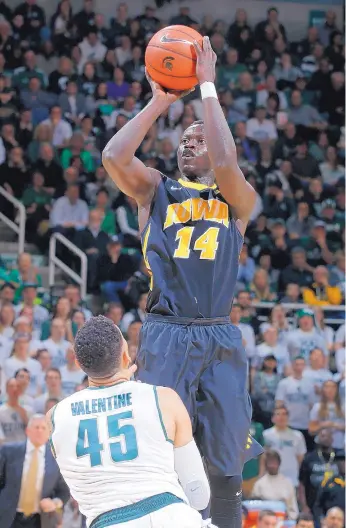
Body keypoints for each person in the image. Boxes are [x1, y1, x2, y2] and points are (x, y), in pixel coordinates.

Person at [102, 36, 262, 528]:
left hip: (218, 333)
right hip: (167, 332)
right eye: (185, 140)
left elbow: (227, 159)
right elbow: (113, 155)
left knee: (226, 466)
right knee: (165, 456)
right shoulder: (155, 189)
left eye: (200, 140)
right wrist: (158, 101)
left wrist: (208, 88)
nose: (192, 144)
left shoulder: (238, 199)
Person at [47, 316, 211, 528]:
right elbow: (198, 495)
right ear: (126, 355)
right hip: (172, 518)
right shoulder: (163, 399)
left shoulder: (54, 418)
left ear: (78, 364)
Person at [0, 414, 70, 528]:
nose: (40, 431)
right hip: (9, 518)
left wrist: (54, 503)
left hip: (40, 520)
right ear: (28, 431)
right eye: (36, 427)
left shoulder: (56, 459)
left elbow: (64, 492)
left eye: (43, 428)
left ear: (49, 434)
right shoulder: (8, 452)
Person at [299, 430, 339, 519]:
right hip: (314, 505)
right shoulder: (309, 458)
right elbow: (302, 484)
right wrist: (304, 506)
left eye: (328, 436)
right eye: (322, 436)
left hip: (336, 505)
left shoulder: (340, 456)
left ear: (332, 439)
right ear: (317, 439)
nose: (325, 439)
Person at [263, 405, 306, 487]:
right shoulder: (266, 435)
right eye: (278, 414)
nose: (281, 417)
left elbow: (300, 458)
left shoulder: (298, 436)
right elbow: (264, 458)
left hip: (291, 479)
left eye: (284, 414)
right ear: (272, 418)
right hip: (271, 479)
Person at [251, 449, 299, 520]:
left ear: (279, 463)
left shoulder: (287, 483)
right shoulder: (259, 484)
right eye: (269, 462)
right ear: (266, 464)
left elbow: (293, 508)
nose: (272, 465)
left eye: (274, 462)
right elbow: (254, 507)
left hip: (284, 520)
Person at [314, 451, 345, 521]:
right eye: (341, 460)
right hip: (332, 521)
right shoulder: (328, 483)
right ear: (336, 463)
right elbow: (318, 505)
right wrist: (321, 520)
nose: (343, 463)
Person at [0, 378, 29, 444]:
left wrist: (25, 418)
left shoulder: (27, 411)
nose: (15, 389)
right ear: (6, 389)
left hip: (23, 448)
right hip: (6, 449)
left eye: (17, 386)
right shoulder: (1, 411)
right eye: (11, 386)